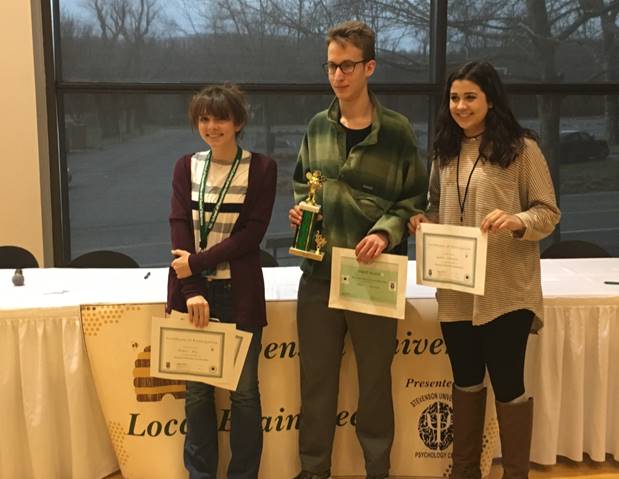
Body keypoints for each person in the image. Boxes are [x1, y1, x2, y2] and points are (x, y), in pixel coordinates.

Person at [288, 20, 428, 479]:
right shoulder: (316, 126)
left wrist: (386, 231)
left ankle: (377, 471)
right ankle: (313, 471)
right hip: (320, 275)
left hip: (373, 275)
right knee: (316, 385)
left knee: (373, 386)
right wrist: (299, 212)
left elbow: (413, 198)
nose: (338, 76)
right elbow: (301, 183)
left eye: (347, 65)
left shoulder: (397, 132)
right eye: (331, 66)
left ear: (370, 66)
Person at [409, 61, 560, 479]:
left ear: (490, 99)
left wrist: (516, 222)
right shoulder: (444, 150)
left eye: (470, 96)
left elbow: (548, 213)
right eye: (454, 97)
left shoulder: (522, 149)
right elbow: (435, 204)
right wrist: (423, 219)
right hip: (455, 290)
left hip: (506, 291)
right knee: (465, 381)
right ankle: (464, 471)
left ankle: (515, 474)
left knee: (509, 385)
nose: (460, 105)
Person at [166, 84, 277, 479]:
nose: (211, 126)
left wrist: (197, 262)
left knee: (244, 393)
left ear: (239, 122)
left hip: (239, 292)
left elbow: (251, 236)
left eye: (220, 119)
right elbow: (180, 228)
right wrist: (193, 288)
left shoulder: (262, 168)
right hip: (193, 295)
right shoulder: (186, 166)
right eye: (204, 119)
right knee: (196, 394)